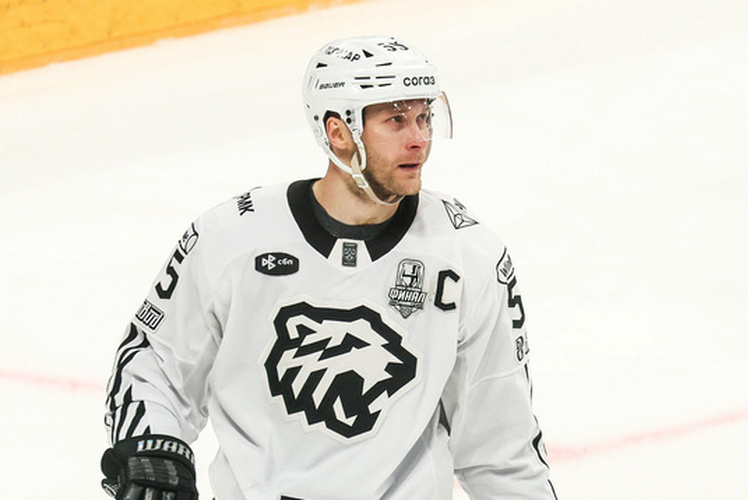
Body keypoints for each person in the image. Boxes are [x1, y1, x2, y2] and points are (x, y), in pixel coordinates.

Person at [100, 35, 557, 500]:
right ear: (339, 132)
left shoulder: (469, 256)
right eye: (396, 120)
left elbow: (502, 446)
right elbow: (155, 362)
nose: (419, 138)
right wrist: (153, 447)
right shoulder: (233, 237)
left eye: (423, 117)